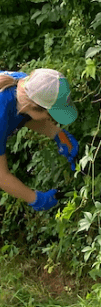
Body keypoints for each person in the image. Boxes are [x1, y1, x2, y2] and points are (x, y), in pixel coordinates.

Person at [0, 68, 79, 211]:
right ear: (36, 107)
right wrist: (35, 199)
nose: (51, 119)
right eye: (50, 115)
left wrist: (57, 134)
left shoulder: (26, 85)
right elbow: (1, 176)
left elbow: (24, 115)